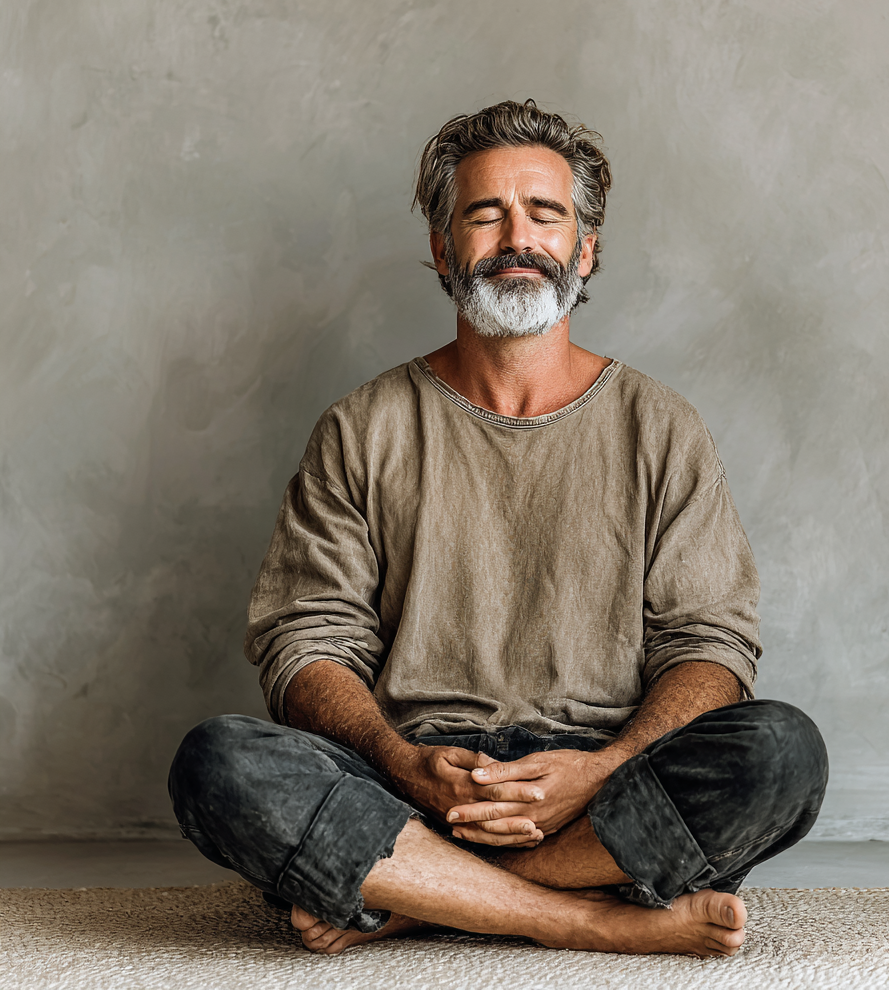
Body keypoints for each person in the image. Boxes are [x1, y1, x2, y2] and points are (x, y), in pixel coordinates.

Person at [168, 100, 828, 957]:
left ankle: (416, 894)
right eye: (485, 213)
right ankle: (581, 914)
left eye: (544, 213)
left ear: (583, 249)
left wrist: (598, 768)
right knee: (217, 764)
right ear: (445, 249)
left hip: (603, 788)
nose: (517, 236)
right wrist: (404, 763)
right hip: (407, 780)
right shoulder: (363, 427)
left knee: (781, 754)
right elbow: (306, 642)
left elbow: (709, 644)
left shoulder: (662, 428)